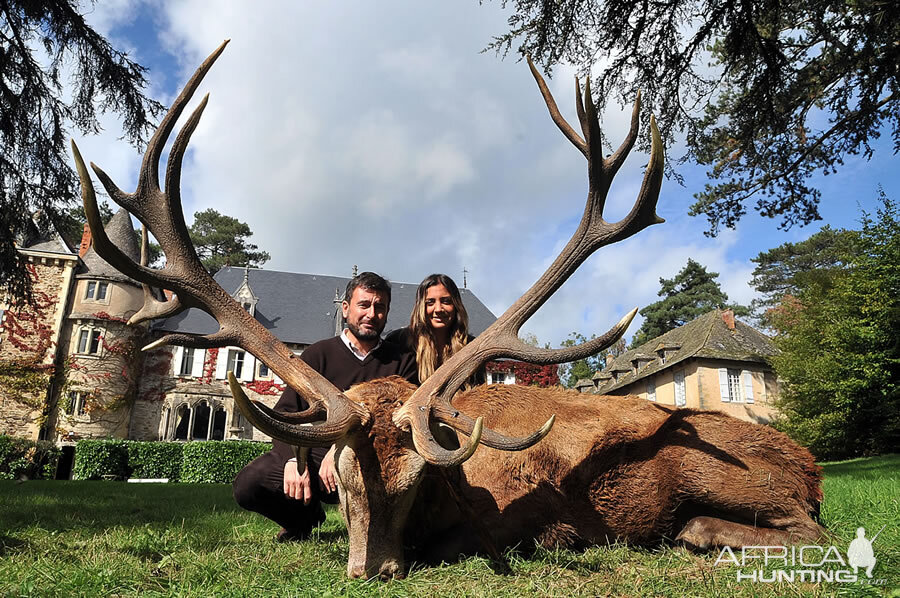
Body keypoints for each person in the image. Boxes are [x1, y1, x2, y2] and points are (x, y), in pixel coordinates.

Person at [233, 272, 417, 541]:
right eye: (364, 305)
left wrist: (341, 448)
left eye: (380, 307)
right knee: (250, 484)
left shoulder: (402, 362)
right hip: (319, 462)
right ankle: (304, 519)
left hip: (373, 463)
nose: (371, 313)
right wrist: (293, 459)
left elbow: (399, 422)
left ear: (387, 312)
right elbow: (285, 413)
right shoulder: (317, 355)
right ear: (346, 309)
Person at [385, 273, 483, 385]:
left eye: (446, 301)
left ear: (456, 306)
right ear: (420, 307)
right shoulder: (399, 341)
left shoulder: (471, 346)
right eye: (430, 303)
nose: (438, 309)